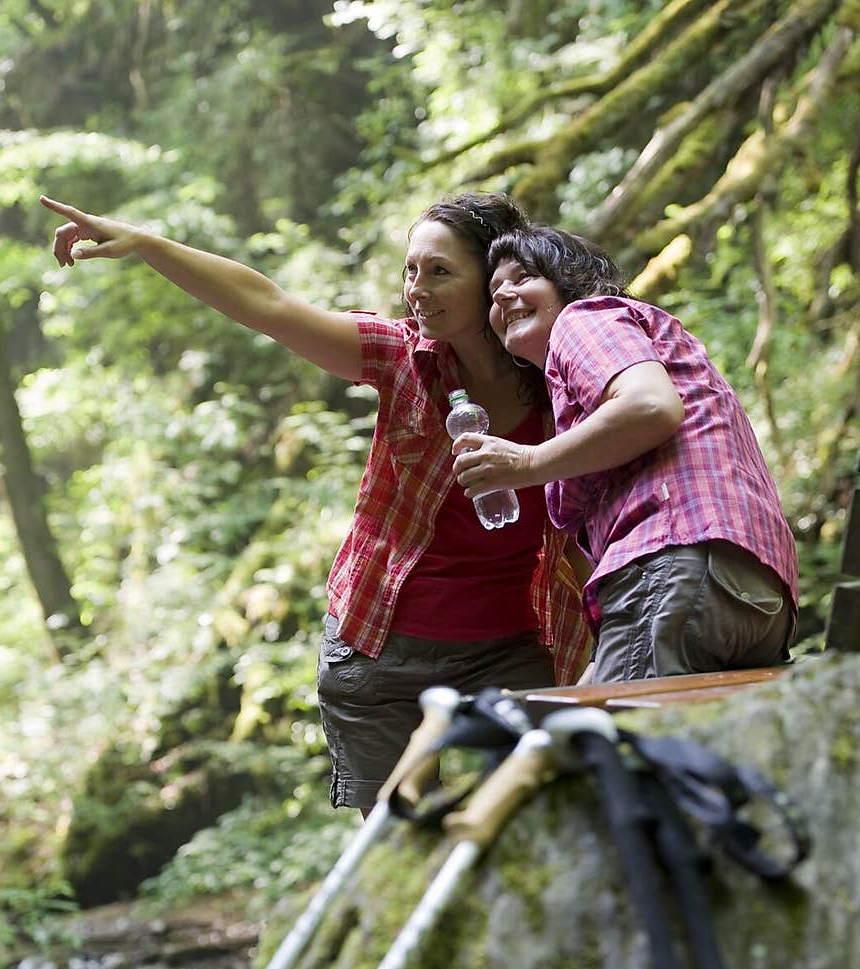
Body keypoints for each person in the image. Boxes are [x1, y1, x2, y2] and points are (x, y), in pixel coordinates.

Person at [40, 193, 589, 812]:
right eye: (410, 270)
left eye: (439, 271)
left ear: (493, 278)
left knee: (536, 816)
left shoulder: (562, 377)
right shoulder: (398, 357)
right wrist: (145, 242)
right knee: (397, 844)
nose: (417, 288)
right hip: (377, 650)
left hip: (511, 648)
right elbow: (268, 305)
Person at [449, 224, 799, 684]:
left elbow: (649, 407)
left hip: (680, 563)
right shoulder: (633, 348)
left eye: (523, 277)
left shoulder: (584, 319)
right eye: (494, 291)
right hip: (753, 591)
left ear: (568, 278)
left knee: (622, 746)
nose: (504, 296)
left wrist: (526, 463)